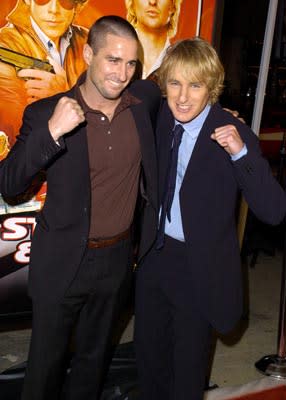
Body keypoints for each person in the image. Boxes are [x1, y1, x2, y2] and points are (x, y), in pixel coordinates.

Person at [0, 15, 161, 400]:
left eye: (131, 63)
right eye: (112, 59)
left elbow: (188, 106)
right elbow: (9, 184)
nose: (122, 74)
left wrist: (228, 123)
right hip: (61, 263)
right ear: (88, 54)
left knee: (93, 363)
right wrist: (51, 133)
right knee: (45, 369)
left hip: (116, 260)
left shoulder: (144, 103)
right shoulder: (46, 114)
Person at [134, 37, 286, 400]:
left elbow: (275, 210)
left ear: (212, 88)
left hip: (197, 268)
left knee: (187, 373)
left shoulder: (231, 133)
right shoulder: (158, 115)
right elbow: (131, 86)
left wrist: (240, 154)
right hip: (154, 259)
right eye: (175, 83)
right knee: (149, 362)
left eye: (195, 85)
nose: (183, 97)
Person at [0, 0, 88, 150]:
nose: (54, 10)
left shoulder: (90, 41)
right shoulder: (5, 46)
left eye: (65, 1)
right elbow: (19, 138)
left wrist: (62, 97)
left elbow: (111, 125)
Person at [125, 0, 182, 78]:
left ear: (173, 6)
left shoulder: (183, 64)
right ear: (132, 3)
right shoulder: (113, 51)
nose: (152, 2)